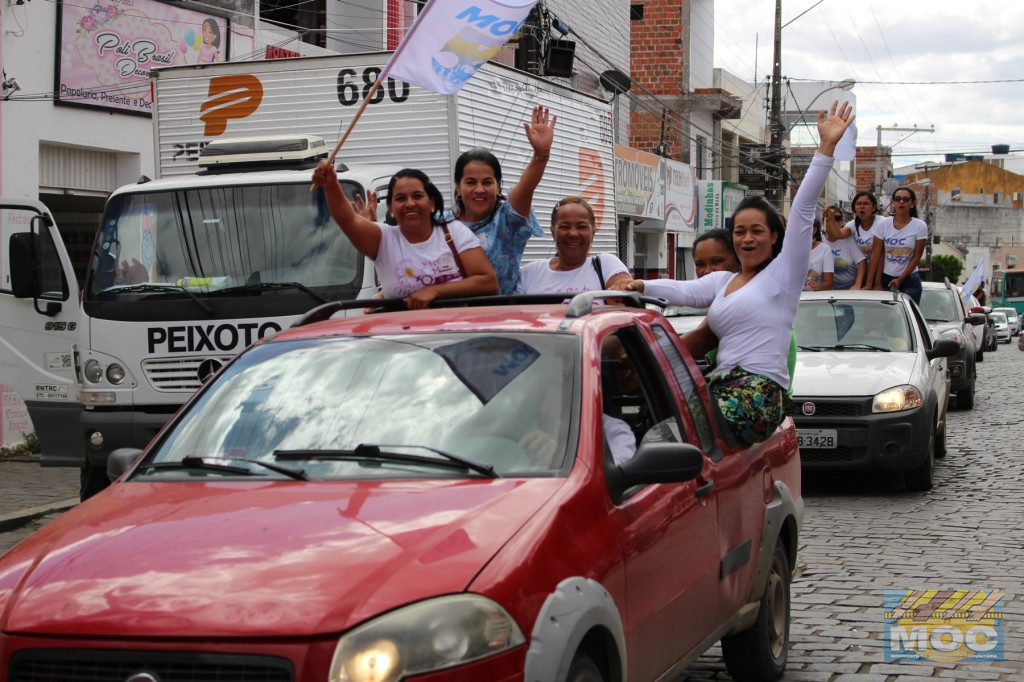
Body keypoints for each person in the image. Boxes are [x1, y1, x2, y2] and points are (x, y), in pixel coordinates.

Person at [611, 100, 855, 444]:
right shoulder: (725, 281)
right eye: (739, 231)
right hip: (722, 386)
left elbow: (801, 210)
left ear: (774, 237)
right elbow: (683, 291)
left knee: (662, 441)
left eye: (757, 230)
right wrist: (637, 285)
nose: (747, 238)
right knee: (653, 426)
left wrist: (825, 148)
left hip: (757, 394)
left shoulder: (784, 277)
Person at [311, 164, 498, 308]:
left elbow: (488, 282)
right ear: (391, 208)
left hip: (456, 337)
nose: (410, 204)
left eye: (417, 196)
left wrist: (434, 291)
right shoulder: (383, 239)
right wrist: (331, 185)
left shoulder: (455, 231)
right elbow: (347, 220)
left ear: (432, 203)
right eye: (400, 198)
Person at [442, 106, 556, 294]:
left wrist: (540, 155)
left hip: (500, 318)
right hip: (447, 320)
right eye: (471, 182)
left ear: (498, 187)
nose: (479, 190)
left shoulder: (507, 220)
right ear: (458, 187)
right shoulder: (440, 224)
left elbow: (526, 190)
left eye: (487, 182)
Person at [515, 196, 630, 293]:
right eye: (565, 227)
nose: (573, 234)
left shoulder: (607, 266)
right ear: (552, 232)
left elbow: (623, 311)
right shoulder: (529, 274)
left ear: (593, 232)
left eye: (582, 227)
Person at [869, 187, 927, 304]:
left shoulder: (919, 226)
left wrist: (900, 279)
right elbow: (876, 255)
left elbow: (916, 257)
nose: (901, 202)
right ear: (893, 202)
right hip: (885, 277)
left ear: (912, 203)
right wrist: (875, 282)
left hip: (910, 279)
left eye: (905, 199)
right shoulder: (883, 224)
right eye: (898, 199)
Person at [822, 205, 866, 290]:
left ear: (842, 222)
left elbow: (862, 263)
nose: (832, 221)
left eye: (837, 218)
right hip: (828, 288)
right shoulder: (820, 240)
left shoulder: (848, 240)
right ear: (822, 222)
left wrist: (857, 285)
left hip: (849, 287)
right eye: (829, 218)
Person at [805, 218, 834, 291]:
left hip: (816, 297)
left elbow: (829, 283)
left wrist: (818, 287)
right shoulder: (791, 249)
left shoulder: (825, 249)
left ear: (814, 230)